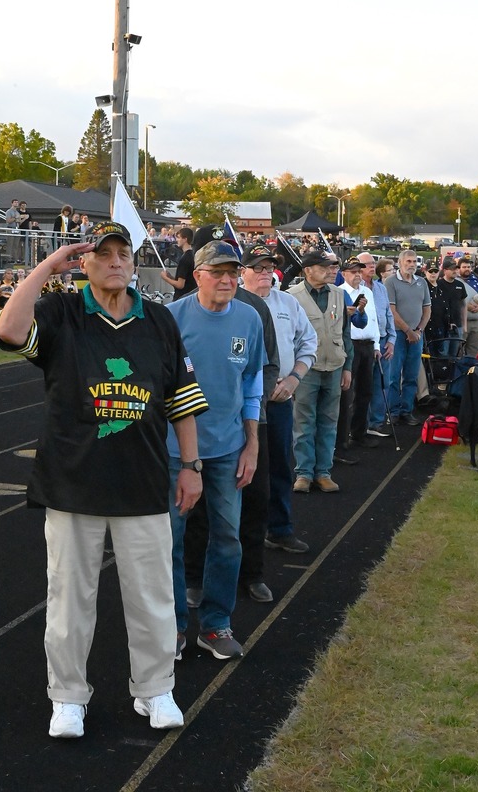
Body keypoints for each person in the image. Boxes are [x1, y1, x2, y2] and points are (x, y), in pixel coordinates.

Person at [0, 221, 208, 738]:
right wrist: (48, 266)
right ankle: (67, 697)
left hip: (142, 481)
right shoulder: (62, 313)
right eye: (102, 254)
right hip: (73, 482)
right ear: (84, 264)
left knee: (153, 597)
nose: (114, 261)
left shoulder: (158, 321)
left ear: (134, 264)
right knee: (70, 599)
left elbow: (180, 399)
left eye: (122, 254)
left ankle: (155, 690)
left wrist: (191, 465)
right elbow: (7, 332)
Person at [166, 241, 265, 661]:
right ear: (198, 275)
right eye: (218, 272)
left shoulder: (250, 317)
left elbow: (252, 383)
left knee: (228, 538)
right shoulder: (171, 319)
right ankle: (170, 627)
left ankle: (216, 624)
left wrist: (252, 442)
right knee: (170, 539)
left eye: (232, 272)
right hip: (173, 452)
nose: (227, 280)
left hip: (228, 447)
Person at [239, 243, 317, 554]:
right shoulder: (232, 302)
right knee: (242, 468)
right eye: (257, 267)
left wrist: (295, 377)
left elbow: (308, 341)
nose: (265, 273)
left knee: (280, 465)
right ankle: (241, 533)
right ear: (242, 271)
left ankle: (280, 528)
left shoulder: (287, 302)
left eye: (269, 267)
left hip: (279, 397)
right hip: (241, 402)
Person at [288, 251, 359, 492]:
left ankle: (323, 472)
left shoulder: (340, 294)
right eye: (325, 267)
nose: (332, 270)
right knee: (304, 421)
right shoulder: (291, 297)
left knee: (329, 421)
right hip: (306, 368)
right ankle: (304, 473)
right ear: (308, 270)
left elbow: (345, 332)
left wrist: (348, 367)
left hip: (335, 365)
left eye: (332, 266)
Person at [335, 257, 380, 457]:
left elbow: (373, 321)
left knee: (365, 391)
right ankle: (342, 437)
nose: (357, 276)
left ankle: (359, 432)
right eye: (353, 272)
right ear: (344, 273)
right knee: (347, 393)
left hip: (367, 345)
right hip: (350, 344)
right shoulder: (340, 293)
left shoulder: (367, 292)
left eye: (359, 272)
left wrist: (377, 345)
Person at [384, 250, 431, 425]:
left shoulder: (422, 282)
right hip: (397, 335)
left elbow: (427, 310)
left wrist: (418, 330)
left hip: (417, 335)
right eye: (408, 261)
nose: (412, 264)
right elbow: (392, 311)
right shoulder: (391, 282)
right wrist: (407, 331)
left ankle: (407, 410)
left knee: (411, 375)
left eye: (414, 261)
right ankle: (393, 411)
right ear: (400, 262)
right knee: (394, 375)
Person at [366, 257, 397, 434]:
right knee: (363, 386)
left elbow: (389, 315)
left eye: (372, 263)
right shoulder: (353, 290)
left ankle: (376, 422)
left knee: (383, 382)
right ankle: (361, 423)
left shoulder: (380, 288)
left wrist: (392, 340)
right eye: (367, 264)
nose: (371, 266)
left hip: (384, 340)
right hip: (365, 343)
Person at [457, 258, 478, 358]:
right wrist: (466, 306)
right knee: (459, 350)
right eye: (464, 267)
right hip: (462, 322)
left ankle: (470, 371)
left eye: (468, 267)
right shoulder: (456, 282)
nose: (467, 269)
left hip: (477, 321)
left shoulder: (476, 281)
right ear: (459, 268)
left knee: (473, 351)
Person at [161, 227, 196, 300]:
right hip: (190, 297)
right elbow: (186, 280)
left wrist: (165, 278)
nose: (177, 240)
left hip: (181, 298)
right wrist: (170, 277)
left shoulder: (185, 259)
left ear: (185, 239)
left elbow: (180, 285)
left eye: (179, 238)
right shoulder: (192, 255)